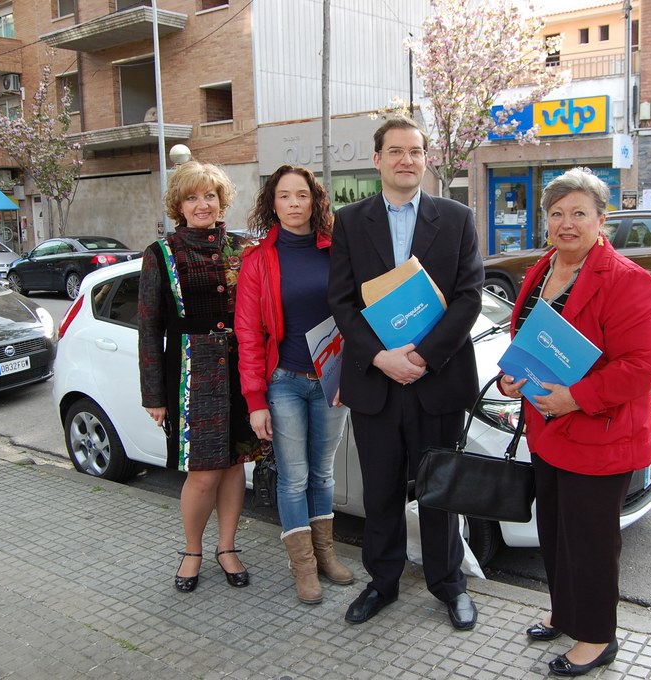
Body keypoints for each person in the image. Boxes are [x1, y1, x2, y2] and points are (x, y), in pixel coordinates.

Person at [499, 167, 651, 677]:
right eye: (557, 213)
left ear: (601, 220)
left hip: (598, 435)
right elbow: (527, 337)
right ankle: (565, 611)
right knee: (555, 533)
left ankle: (596, 637)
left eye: (579, 213)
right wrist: (512, 378)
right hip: (548, 431)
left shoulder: (627, 280)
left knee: (590, 542)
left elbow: (642, 366)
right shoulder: (543, 267)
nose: (566, 223)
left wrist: (575, 398)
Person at [327, 117, 484, 631]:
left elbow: (469, 297)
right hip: (376, 383)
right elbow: (342, 302)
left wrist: (422, 357)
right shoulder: (351, 221)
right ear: (377, 160)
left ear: (426, 159)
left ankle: (449, 583)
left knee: (440, 490)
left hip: (437, 379)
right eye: (395, 151)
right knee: (381, 491)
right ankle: (383, 582)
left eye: (415, 151)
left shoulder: (457, 217)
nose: (406, 160)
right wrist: (380, 357)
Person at [138, 160, 263, 594]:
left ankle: (227, 547)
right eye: (192, 197)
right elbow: (149, 329)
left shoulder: (244, 248)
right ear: (179, 205)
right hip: (191, 375)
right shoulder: (160, 253)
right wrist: (154, 395)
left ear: (221, 200)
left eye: (210, 195)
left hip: (241, 370)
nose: (202, 204)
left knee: (234, 466)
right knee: (204, 472)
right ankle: (192, 550)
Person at [235, 165, 355, 605]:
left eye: (301, 195)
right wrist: (255, 400)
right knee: (294, 477)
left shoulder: (336, 250)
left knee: (323, 472)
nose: (293, 204)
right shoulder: (258, 260)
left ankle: (325, 555)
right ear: (273, 203)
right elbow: (248, 334)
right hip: (283, 381)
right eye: (284, 196)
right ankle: (302, 566)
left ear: (314, 200)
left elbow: (356, 315)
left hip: (330, 380)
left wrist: (350, 375)